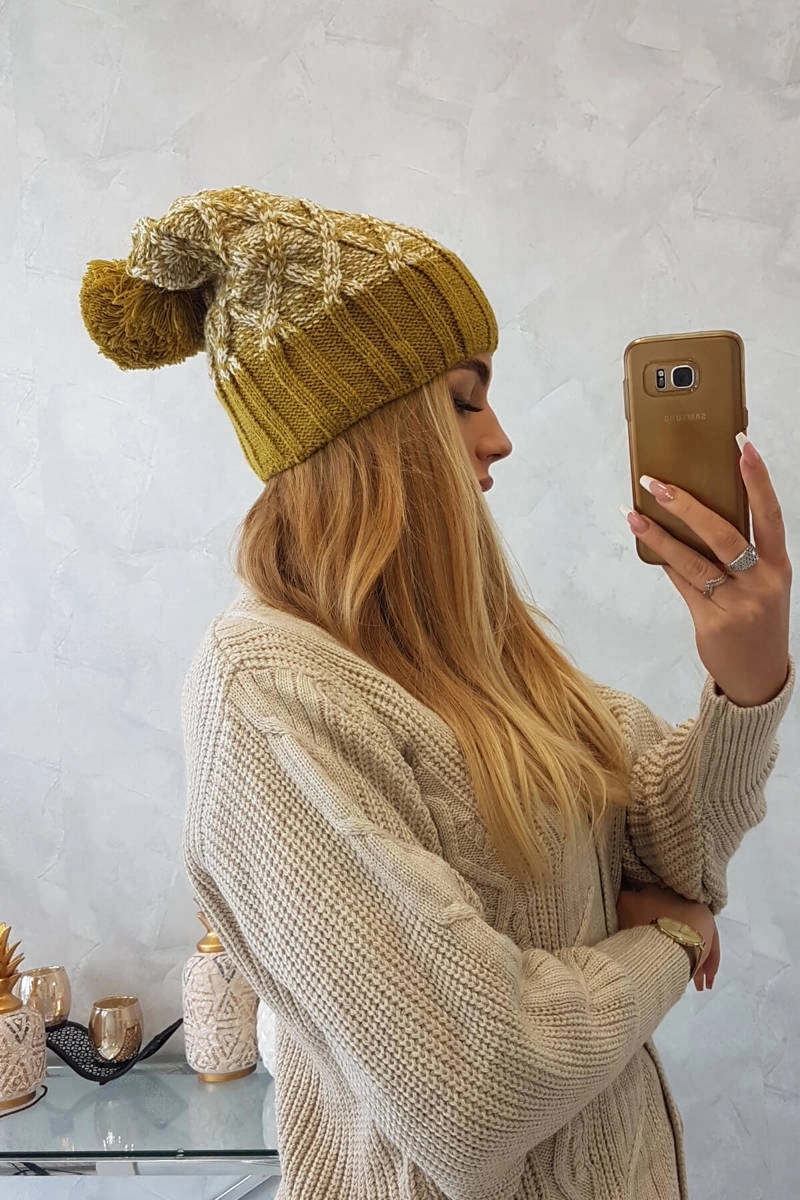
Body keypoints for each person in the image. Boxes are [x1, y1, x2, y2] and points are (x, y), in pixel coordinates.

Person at [80, 186, 793, 1200]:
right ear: (365, 425)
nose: (498, 437)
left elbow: (675, 854)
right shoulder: (267, 691)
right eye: (463, 398)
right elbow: (473, 1089)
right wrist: (665, 943)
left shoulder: (488, 652)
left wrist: (745, 675)